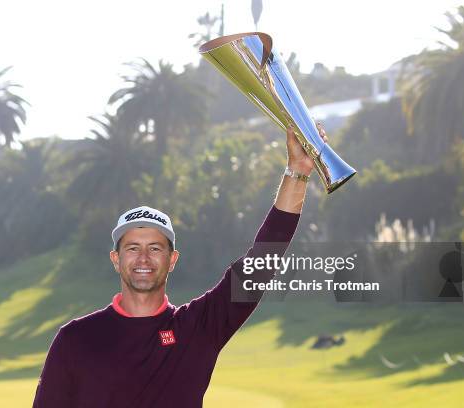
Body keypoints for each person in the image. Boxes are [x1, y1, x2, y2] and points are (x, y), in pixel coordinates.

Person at [33, 125, 328, 407]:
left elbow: (263, 260)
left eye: (156, 248)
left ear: (172, 260)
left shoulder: (197, 329)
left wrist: (298, 172)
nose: (144, 258)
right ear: (116, 259)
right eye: (133, 248)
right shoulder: (76, 339)